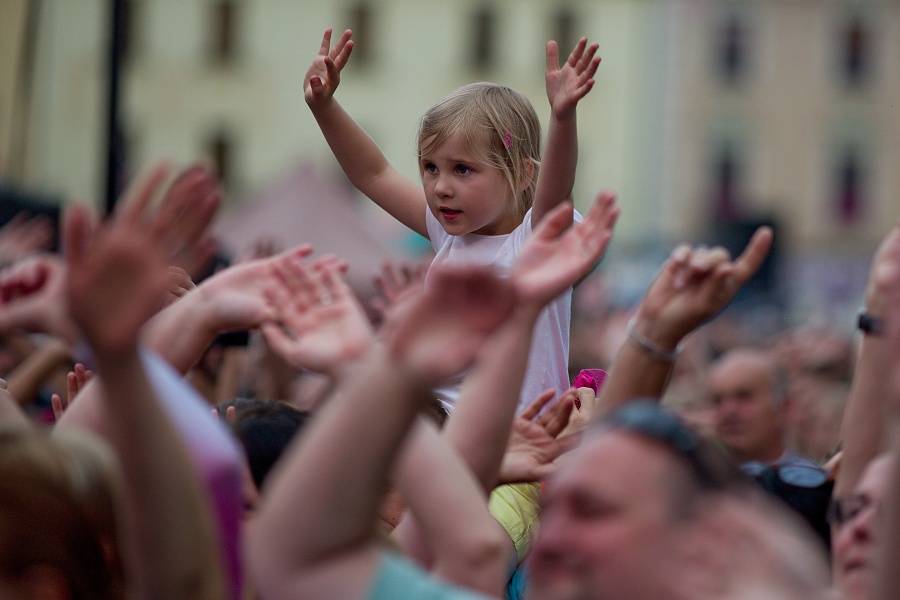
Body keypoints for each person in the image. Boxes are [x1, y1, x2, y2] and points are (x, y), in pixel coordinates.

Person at [300, 28, 602, 411]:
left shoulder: (536, 240)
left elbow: (557, 191)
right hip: (445, 436)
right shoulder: (448, 235)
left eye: (462, 169)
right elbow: (373, 173)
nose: (440, 187)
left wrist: (563, 118)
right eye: (430, 167)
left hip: (521, 443)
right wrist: (324, 107)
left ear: (524, 174)